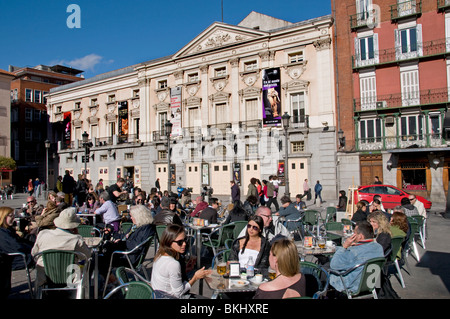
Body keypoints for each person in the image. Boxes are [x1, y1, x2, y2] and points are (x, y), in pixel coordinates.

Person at [31, 207, 92, 288]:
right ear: (74, 226)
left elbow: (34, 254)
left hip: (44, 275)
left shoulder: (42, 234)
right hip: (69, 276)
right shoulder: (76, 239)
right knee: (86, 265)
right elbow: (87, 256)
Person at [151, 224, 211, 298]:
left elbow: (167, 277)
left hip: (158, 295)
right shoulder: (173, 263)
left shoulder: (159, 254)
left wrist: (185, 270)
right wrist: (195, 277)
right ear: (169, 242)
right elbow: (179, 293)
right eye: (180, 242)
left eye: (185, 240)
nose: (184, 244)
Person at [328, 221, 384, 294]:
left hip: (352, 285)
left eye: (354, 233)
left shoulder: (354, 252)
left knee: (323, 270)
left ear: (360, 236)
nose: (353, 235)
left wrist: (344, 246)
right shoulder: (379, 247)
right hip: (371, 284)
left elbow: (334, 265)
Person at [100, 205, 156, 277]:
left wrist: (120, 243)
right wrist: (112, 232)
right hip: (126, 251)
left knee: (101, 257)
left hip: (130, 256)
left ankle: (108, 279)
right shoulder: (136, 226)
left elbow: (135, 245)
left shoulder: (146, 229)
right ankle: (108, 278)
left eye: (132, 216)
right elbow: (124, 236)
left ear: (138, 216)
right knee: (103, 250)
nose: (131, 218)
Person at [0, 207, 34, 298]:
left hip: (14, 258)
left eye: (14, 215)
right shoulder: (2, 232)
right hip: (14, 259)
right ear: (3, 217)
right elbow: (16, 247)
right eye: (11, 215)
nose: (13, 218)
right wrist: (32, 249)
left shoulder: (7, 230)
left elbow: (20, 242)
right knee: (42, 259)